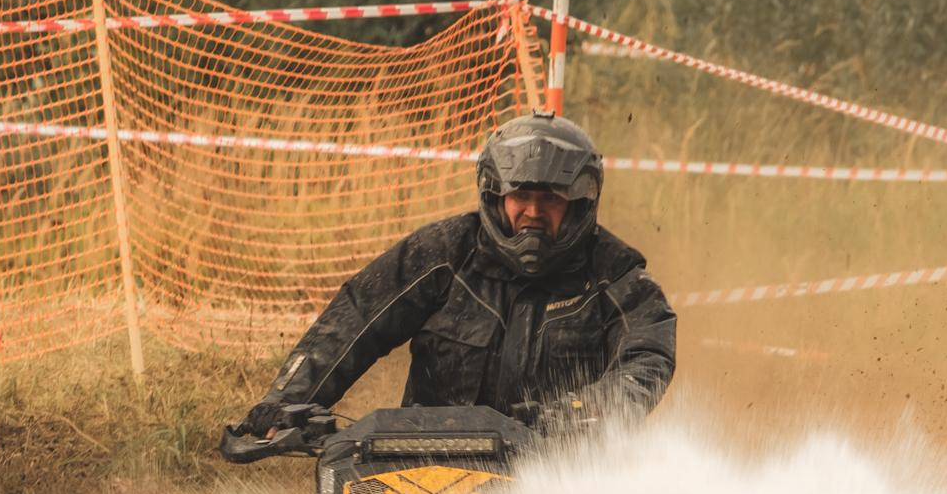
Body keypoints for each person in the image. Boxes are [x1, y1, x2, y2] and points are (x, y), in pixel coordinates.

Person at [231, 112, 676, 439]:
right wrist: (286, 400)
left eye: (551, 200)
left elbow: (647, 356)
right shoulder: (442, 252)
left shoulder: (617, 276)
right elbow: (358, 317)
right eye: (520, 196)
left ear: (578, 203)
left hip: (553, 479)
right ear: (495, 195)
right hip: (422, 462)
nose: (533, 213)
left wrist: (585, 413)